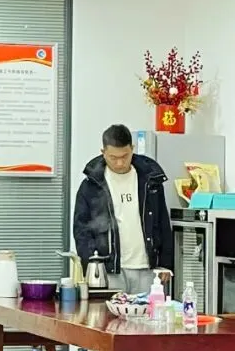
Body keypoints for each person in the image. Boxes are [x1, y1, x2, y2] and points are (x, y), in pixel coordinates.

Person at [72, 124, 173, 293]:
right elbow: (81, 230)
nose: (120, 163)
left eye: (125, 156)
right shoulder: (91, 185)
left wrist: (166, 263)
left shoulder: (150, 180)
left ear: (132, 149)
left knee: (147, 310)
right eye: (113, 157)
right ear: (103, 152)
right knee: (109, 311)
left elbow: (163, 221)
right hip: (109, 269)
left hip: (148, 268)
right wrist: (91, 266)